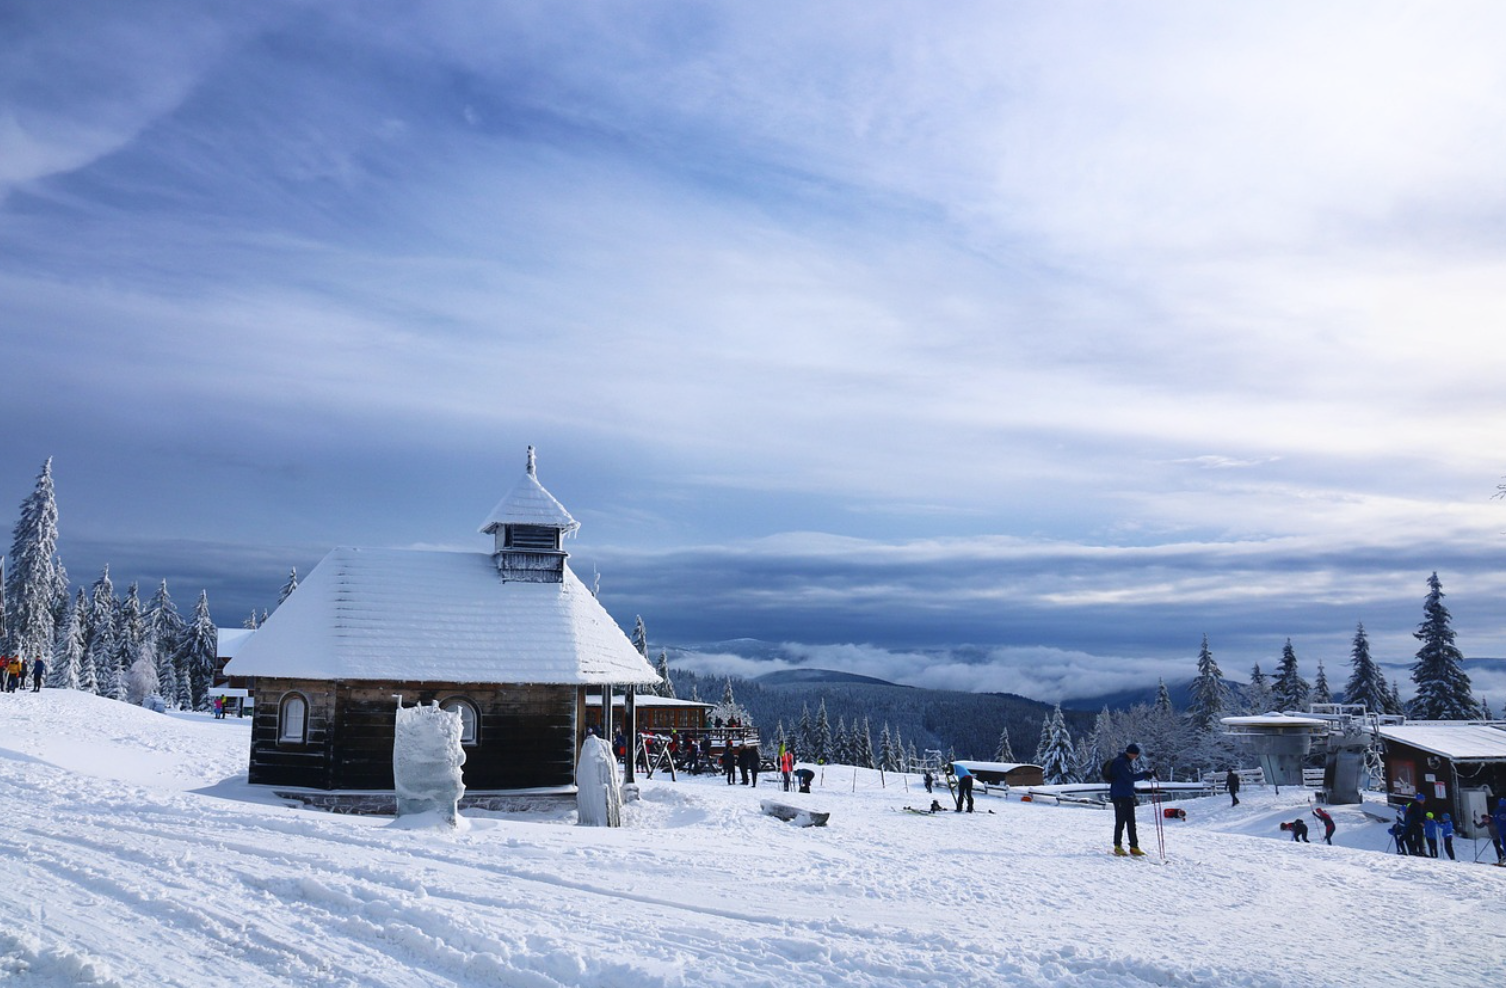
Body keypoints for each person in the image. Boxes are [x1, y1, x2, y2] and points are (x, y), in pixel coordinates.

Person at [1107, 743, 1155, 856]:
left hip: (1127, 795)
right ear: (1130, 753)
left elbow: (1128, 779)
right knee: (1120, 822)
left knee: (1131, 822)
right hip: (1119, 796)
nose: (1135, 757)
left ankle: (1134, 846)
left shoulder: (1127, 762)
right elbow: (1129, 777)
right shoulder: (1121, 762)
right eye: (1135, 755)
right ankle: (1117, 846)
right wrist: (1144, 774)